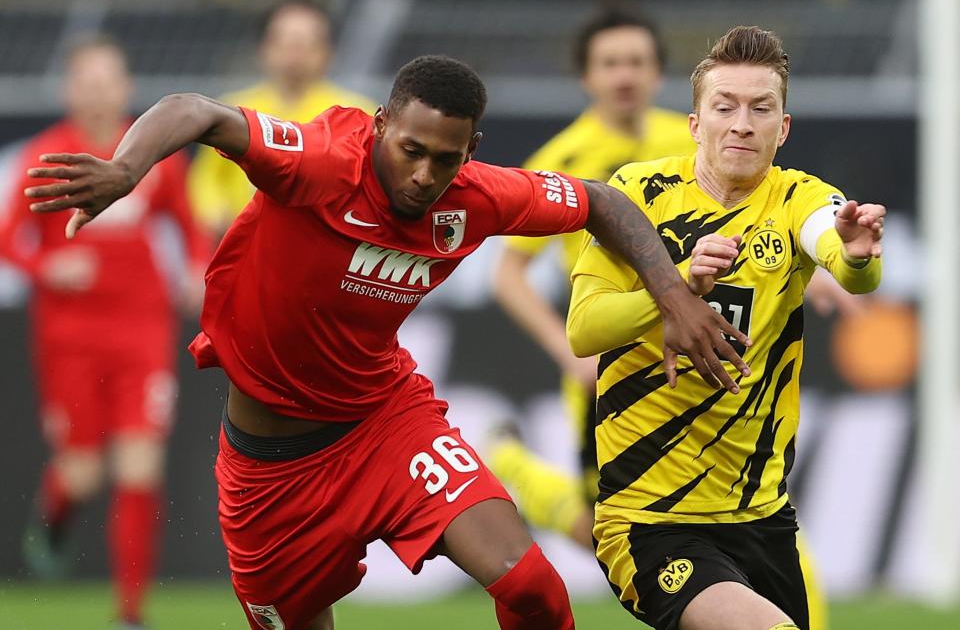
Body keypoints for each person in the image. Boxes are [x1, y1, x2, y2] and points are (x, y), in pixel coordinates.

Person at [24, 55, 750, 630]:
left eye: (447, 158)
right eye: (410, 150)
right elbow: (195, 110)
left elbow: (603, 202)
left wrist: (673, 295)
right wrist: (125, 170)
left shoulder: (477, 196)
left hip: (385, 427)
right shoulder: (316, 162)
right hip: (269, 476)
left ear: (472, 150)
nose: (426, 175)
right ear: (379, 126)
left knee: (533, 587)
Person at [566, 27, 884, 630]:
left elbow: (841, 255)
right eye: (725, 106)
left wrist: (858, 255)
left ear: (782, 127)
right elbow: (583, 329)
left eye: (761, 108)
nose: (742, 123)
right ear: (694, 123)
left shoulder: (799, 198)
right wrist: (675, 288)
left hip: (761, 514)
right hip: (650, 515)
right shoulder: (637, 194)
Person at [0, 36, 210, 629]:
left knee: (140, 466)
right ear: (69, 90)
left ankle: (130, 614)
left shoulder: (150, 154)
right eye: (85, 82)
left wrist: (195, 265)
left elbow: (189, 226)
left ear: (124, 88)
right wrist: (48, 266)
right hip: (69, 338)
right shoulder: (48, 157)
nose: (96, 93)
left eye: (107, 81)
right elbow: (9, 241)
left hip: (141, 330)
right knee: (84, 472)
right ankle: (57, 511)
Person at [490, 4, 695, 549]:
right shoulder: (561, 160)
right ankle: (517, 469)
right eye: (610, 63)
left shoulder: (696, 144)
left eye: (636, 62)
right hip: (607, 365)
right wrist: (568, 352)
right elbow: (508, 274)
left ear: (657, 72)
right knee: (605, 534)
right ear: (587, 76)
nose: (624, 75)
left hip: (689, 352)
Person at [187, 0, 375, 234]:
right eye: (285, 43)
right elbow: (206, 177)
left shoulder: (356, 115)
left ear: (328, 51)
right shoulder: (232, 109)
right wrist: (214, 214)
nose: (294, 55)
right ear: (264, 48)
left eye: (306, 44)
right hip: (247, 244)